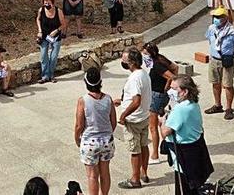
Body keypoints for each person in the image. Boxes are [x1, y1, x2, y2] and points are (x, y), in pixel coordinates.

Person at [160, 75, 214, 195]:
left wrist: (163, 121)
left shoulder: (180, 109)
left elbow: (165, 132)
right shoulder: (193, 103)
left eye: (174, 89)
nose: (170, 91)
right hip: (196, 150)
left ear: (184, 92)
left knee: (184, 189)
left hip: (184, 156)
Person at [74, 67, 117, 195]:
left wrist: (77, 139)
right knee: (105, 173)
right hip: (107, 141)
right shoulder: (108, 99)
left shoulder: (83, 100)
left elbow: (79, 125)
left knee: (92, 176)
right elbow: (113, 122)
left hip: (89, 141)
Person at [115, 48, 152, 190]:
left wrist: (123, 115)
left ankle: (135, 179)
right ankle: (144, 173)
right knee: (144, 146)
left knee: (134, 150)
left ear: (131, 63)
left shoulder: (134, 78)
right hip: (144, 117)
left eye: (124, 60)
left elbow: (136, 100)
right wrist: (123, 101)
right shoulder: (143, 74)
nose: (122, 62)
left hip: (133, 121)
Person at [143, 42, 178, 165]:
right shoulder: (161, 58)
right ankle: (166, 145)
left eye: (145, 54)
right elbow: (175, 67)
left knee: (152, 126)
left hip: (157, 95)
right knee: (160, 122)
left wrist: (166, 88)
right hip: (160, 96)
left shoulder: (157, 65)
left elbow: (171, 76)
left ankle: (155, 154)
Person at [204, 7, 234, 120]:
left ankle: (229, 108)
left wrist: (232, 57)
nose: (216, 19)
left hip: (227, 61)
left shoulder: (233, 31)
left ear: (225, 18)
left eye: (219, 17)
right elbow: (210, 41)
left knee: (228, 85)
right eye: (215, 16)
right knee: (215, 83)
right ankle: (217, 105)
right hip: (214, 60)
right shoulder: (211, 28)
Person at [37, 0, 67, 84]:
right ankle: (45, 76)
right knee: (43, 56)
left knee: (53, 57)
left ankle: (51, 75)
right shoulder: (41, 10)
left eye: (48, 3)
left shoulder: (58, 11)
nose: (46, 5)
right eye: (45, 3)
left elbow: (63, 24)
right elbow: (38, 19)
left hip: (55, 36)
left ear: (52, 2)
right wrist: (39, 30)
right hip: (44, 35)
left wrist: (56, 31)